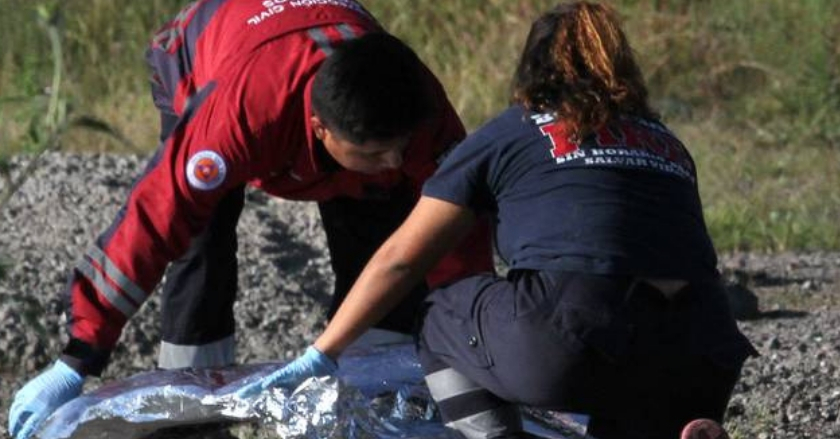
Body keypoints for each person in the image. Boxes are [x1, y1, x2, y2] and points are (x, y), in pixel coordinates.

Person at [238, 2, 758, 439]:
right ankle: (682, 422)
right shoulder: (668, 143)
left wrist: (321, 353)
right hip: (705, 347)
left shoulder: (512, 132)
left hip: (573, 335)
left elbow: (401, 260)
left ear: (532, 70)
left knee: (441, 310)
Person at [7, 1, 494, 438]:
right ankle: (189, 411)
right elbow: (153, 219)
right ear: (319, 129)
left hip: (329, 68)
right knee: (202, 243)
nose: (396, 162)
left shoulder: (423, 112)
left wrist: (474, 344)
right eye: (375, 152)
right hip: (209, 54)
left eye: (401, 148)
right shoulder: (240, 117)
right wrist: (80, 355)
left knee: (386, 233)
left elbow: (458, 235)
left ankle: (374, 404)